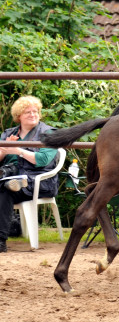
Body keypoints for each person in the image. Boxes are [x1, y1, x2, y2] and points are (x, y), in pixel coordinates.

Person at [0, 96, 59, 253]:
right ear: (19, 116)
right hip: (10, 178)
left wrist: (18, 150)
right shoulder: (8, 134)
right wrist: (4, 150)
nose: (33, 114)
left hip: (38, 182)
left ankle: (0, 241)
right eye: (28, 112)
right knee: (5, 186)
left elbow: (44, 159)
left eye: (35, 111)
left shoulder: (49, 133)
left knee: (6, 189)